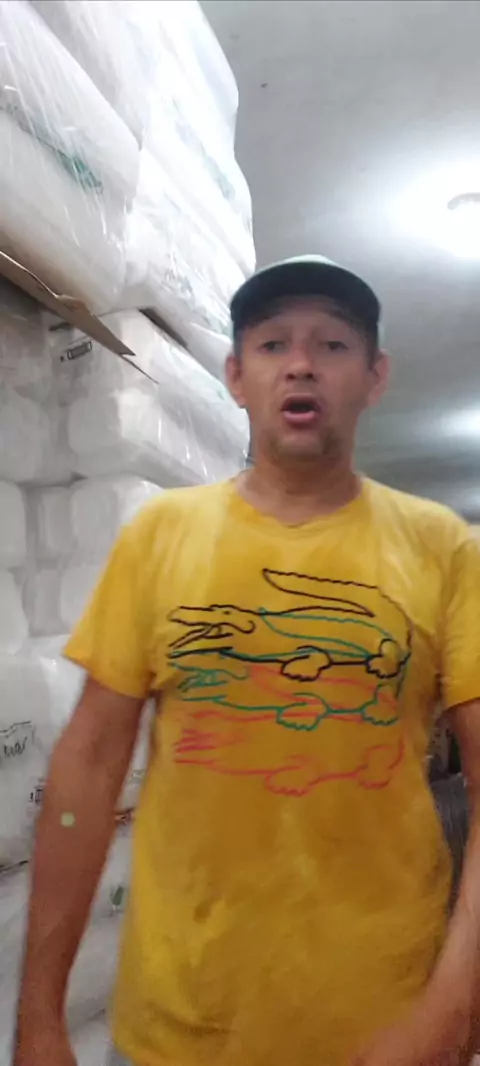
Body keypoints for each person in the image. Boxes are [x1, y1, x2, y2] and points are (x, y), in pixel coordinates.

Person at [14, 256, 480, 1066]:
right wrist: (39, 1014)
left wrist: (453, 1003)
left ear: (375, 376)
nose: (301, 364)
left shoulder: (444, 549)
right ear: (235, 376)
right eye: (272, 345)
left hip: (382, 1027)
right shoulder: (160, 536)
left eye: (332, 345)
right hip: (176, 1028)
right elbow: (85, 772)